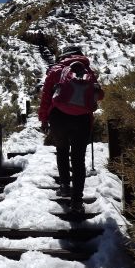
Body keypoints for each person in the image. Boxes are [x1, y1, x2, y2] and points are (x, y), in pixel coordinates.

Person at [38, 45, 104, 213]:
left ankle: (65, 186)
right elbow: (100, 95)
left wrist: (44, 119)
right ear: (80, 55)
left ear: (63, 56)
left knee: (61, 150)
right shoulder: (87, 70)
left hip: (59, 117)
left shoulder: (56, 71)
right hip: (82, 119)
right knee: (78, 160)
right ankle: (76, 202)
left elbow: (46, 96)